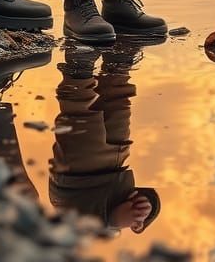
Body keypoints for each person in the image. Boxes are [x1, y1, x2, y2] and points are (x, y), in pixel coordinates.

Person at [48, 45, 161, 234]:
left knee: (79, 113)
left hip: (80, 176)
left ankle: (80, 62)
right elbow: (143, 201)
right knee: (118, 105)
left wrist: (113, 221)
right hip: (115, 168)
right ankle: (119, 60)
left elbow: (93, 225)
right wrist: (145, 204)